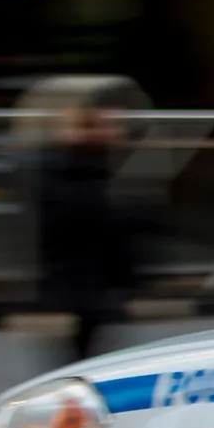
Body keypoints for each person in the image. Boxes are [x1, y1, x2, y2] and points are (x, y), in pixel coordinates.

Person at [34, 82, 148, 361]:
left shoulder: (91, 171)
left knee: (81, 356)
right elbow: (107, 229)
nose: (118, 132)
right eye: (109, 126)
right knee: (80, 358)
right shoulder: (87, 174)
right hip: (79, 286)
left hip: (81, 285)